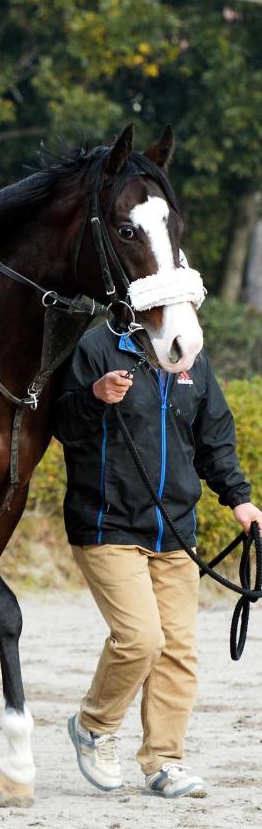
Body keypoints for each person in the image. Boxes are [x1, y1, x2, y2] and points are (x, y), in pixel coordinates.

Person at [52, 322, 262, 798]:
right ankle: (93, 725)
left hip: (175, 531)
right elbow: (61, 424)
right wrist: (94, 396)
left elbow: (214, 436)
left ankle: (164, 762)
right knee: (141, 639)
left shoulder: (192, 355)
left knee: (178, 651)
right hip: (107, 524)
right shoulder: (96, 346)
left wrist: (239, 499)